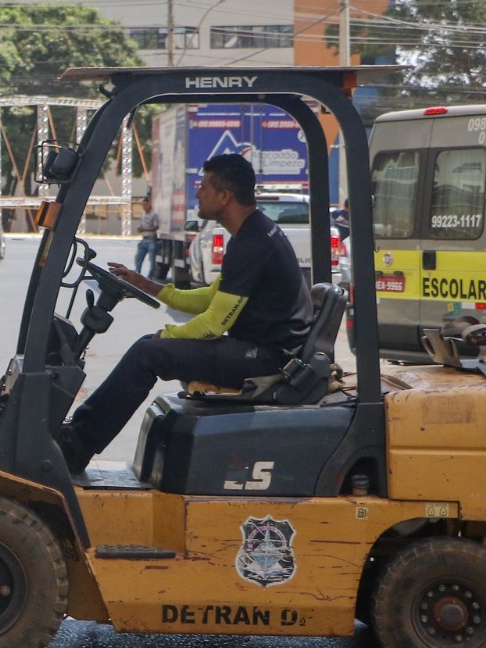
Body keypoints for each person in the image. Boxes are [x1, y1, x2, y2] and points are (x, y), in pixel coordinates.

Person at [57, 153, 311, 473]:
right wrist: (149, 286)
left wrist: (169, 334)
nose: (197, 193)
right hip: (260, 348)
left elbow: (213, 324)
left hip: (266, 357)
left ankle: (78, 444)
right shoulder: (254, 234)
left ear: (224, 196)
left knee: (147, 353)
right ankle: (79, 433)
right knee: (150, 347)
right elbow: (210, 298)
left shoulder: (252, 244)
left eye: (203, 186)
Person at [133, 194, 160, 276]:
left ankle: (150, 277)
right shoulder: (142, 214)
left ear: (149, 204)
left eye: (145, 205)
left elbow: (155, 227)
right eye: (143, 205)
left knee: (152, 261)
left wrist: (145, 229)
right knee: (138, 259)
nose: (144, 207)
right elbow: (142, 224)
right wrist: (140, 229)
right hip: (144, 239)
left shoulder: (154, 215)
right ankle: (137, 276)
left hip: (151, 239)